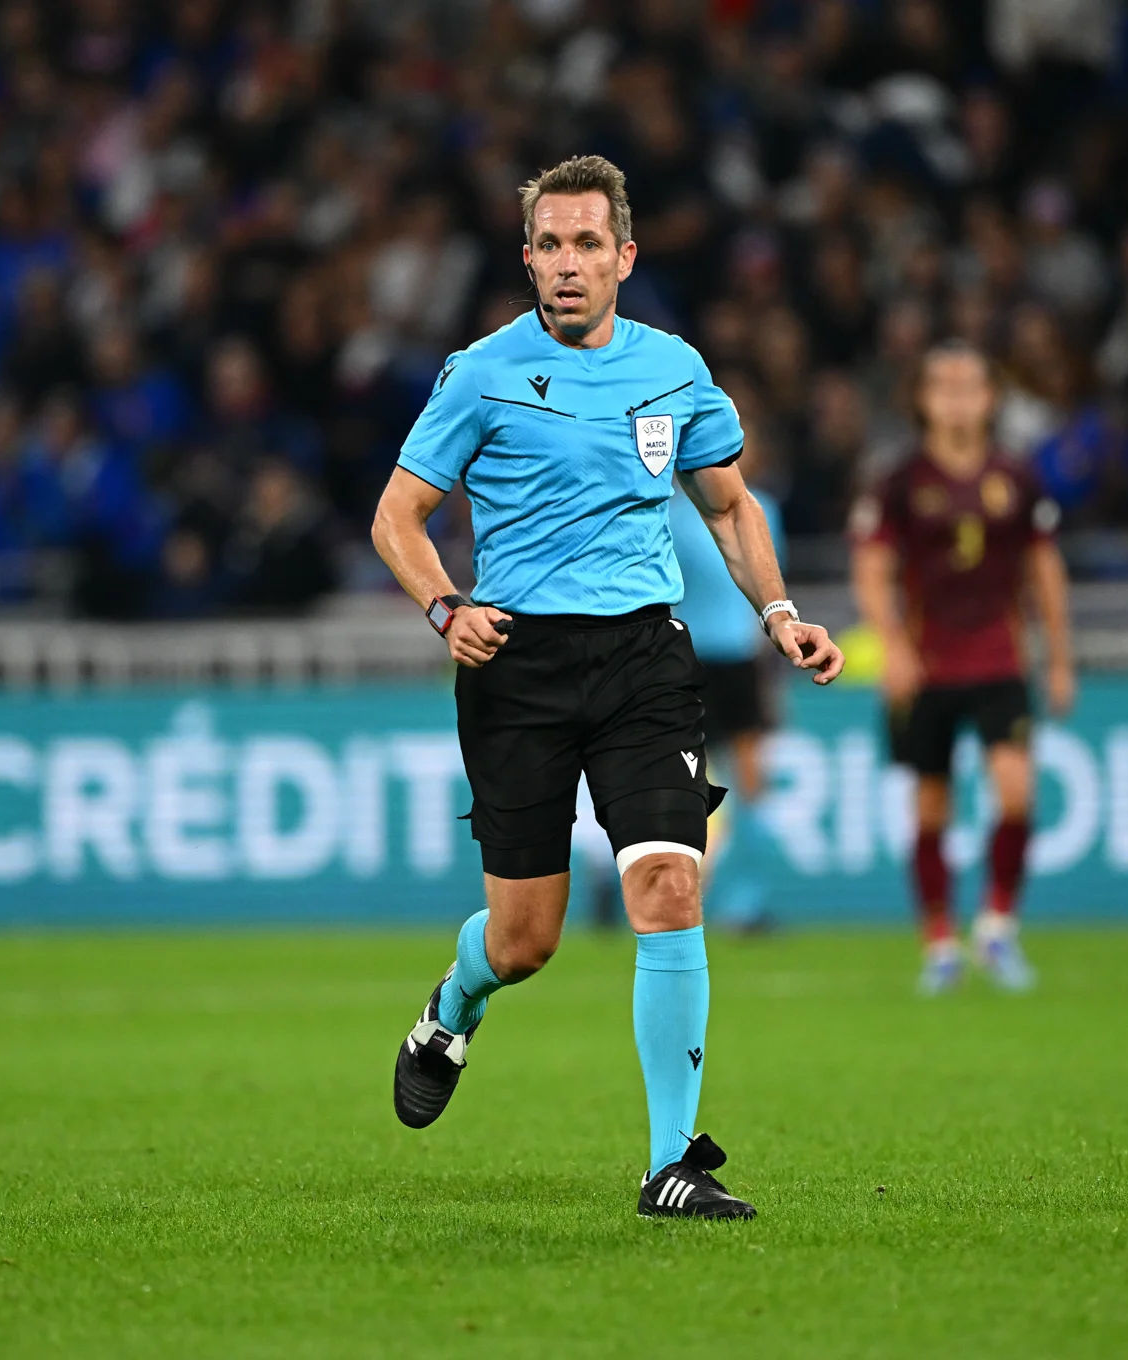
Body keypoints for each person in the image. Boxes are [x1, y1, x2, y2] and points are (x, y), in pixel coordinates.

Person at [371, 156, 844, 1221]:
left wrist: (779, 615)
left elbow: (728, 507)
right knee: (525, 939)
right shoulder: (481, 373)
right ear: (526, 256)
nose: (570, 263)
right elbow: (396, 517)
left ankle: (673, 1161)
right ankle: (454, 1005)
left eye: (590, 244)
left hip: (645, 659)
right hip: (518, 668)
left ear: (625, 257)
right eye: (552, 244)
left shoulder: (675, 369)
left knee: (670, 887)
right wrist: (448, 608)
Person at [849, 341, 1075, 995]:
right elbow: (872, 569)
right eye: (942, 384)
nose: (956, 395)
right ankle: (940, 941)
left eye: (969, 384)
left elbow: (1044, 571)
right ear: (922, 399)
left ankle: (998, 925)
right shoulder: (898, 484)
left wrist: (1059, 658)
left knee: (1016, 791)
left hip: (1000, 659)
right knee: (931, 806)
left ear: (990, 398)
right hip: (927, 666)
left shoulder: (1019, 478)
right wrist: (891, 645)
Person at [669, 443, 784, 931]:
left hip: (741, 659)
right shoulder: (668, 513)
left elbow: (769, 589)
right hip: (687, 656)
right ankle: (672, 894)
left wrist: (771, 671)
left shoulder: (762, 510)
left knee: (752, 782)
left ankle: (746, 901)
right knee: (687, 785)